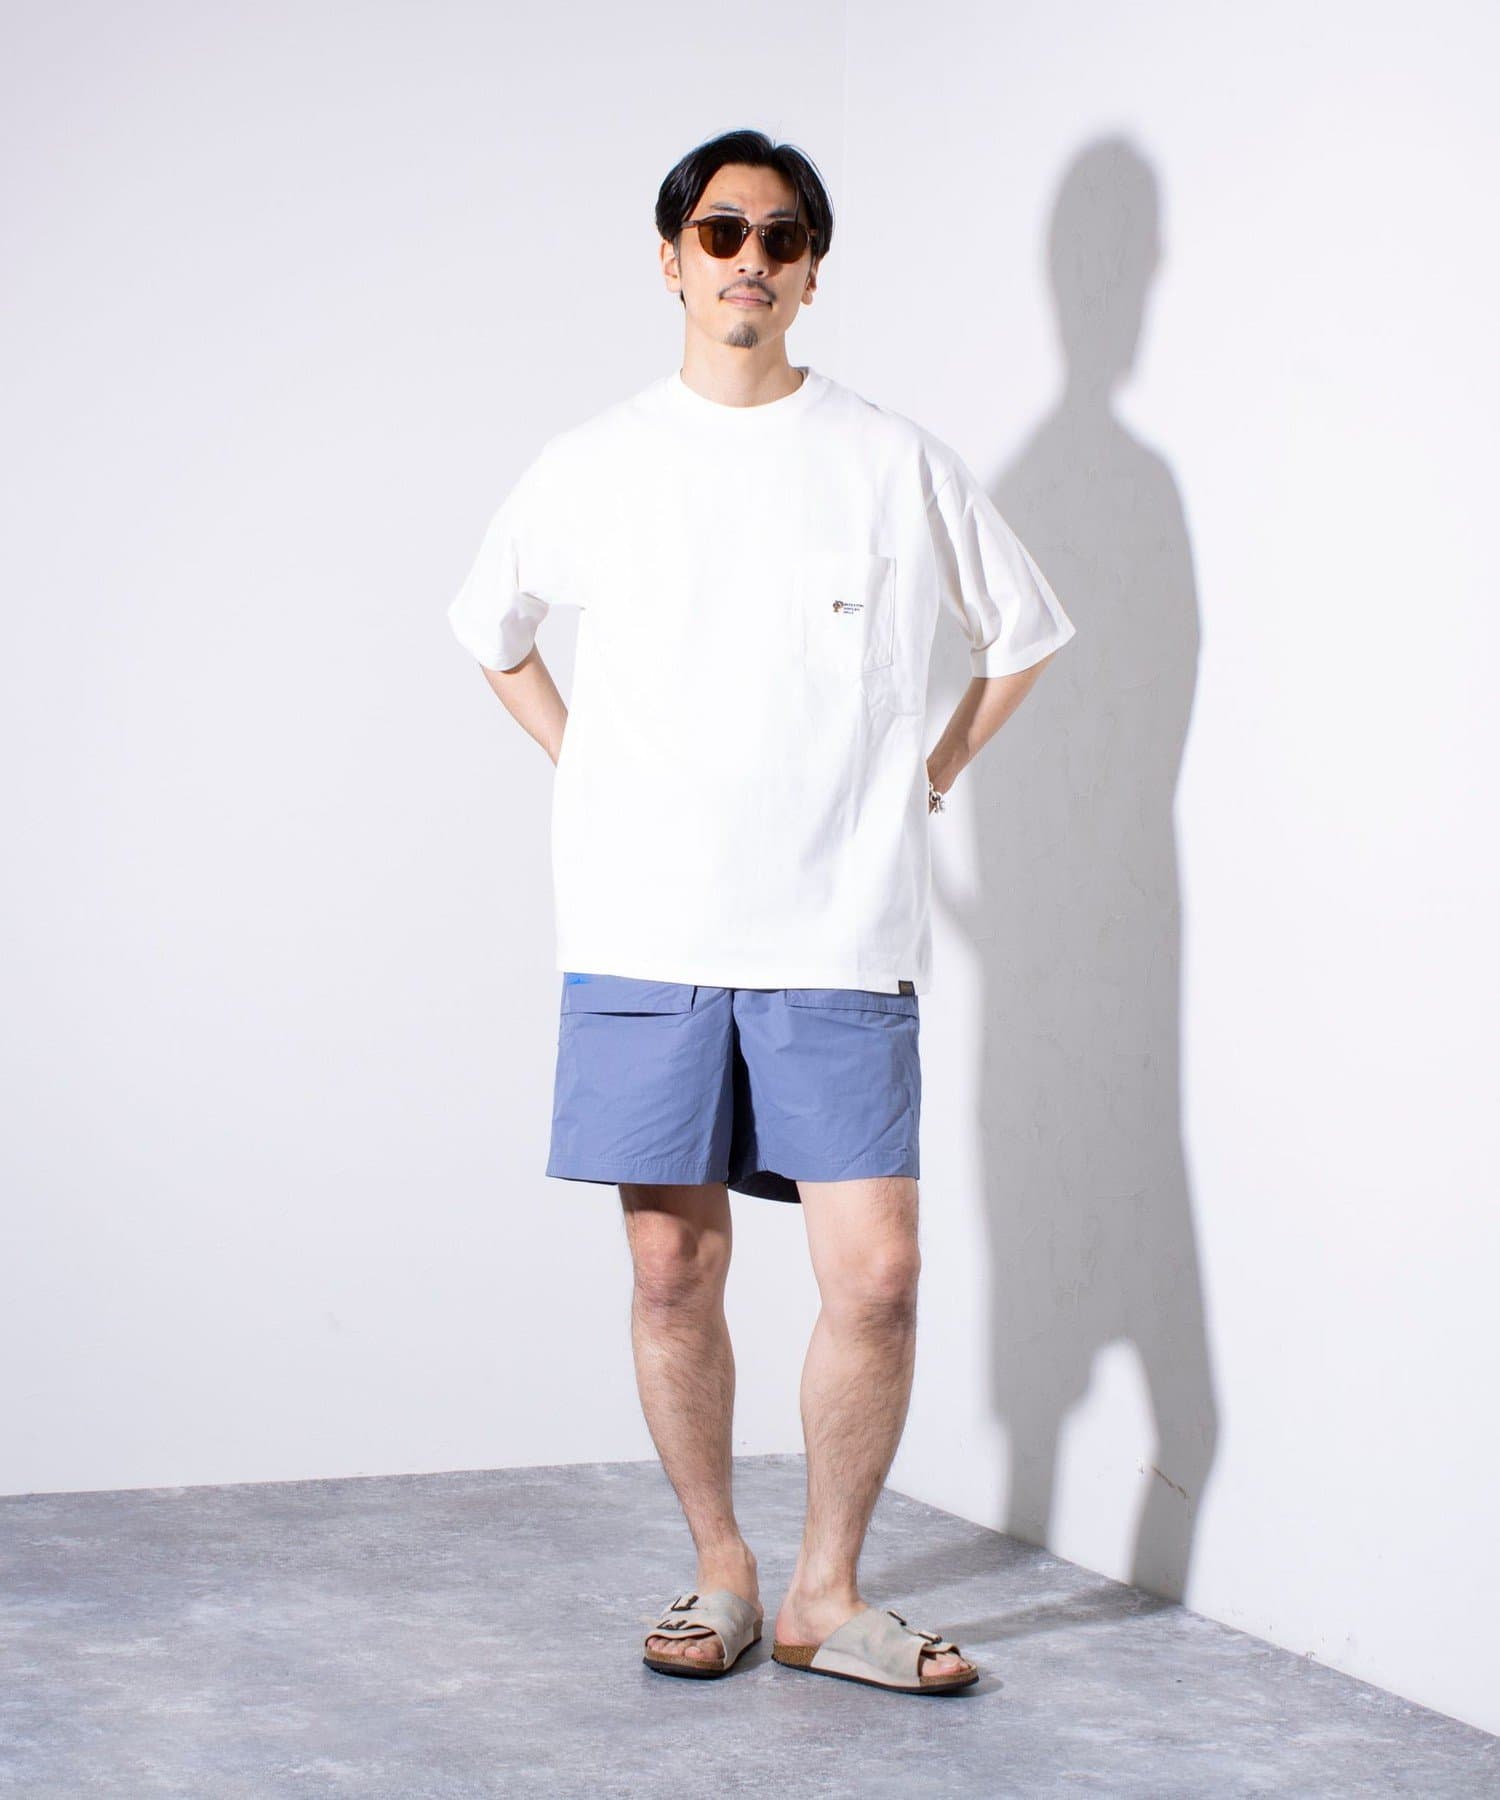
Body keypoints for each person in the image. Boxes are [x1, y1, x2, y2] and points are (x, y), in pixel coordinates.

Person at [447, 128, 1076, 1695]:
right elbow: (490, 626)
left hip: (839, 934)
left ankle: (825, 1594)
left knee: (879, 1274)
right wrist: (586, 759)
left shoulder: (890, 460)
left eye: (780, 236)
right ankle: (723, 1568)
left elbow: (1022, 632)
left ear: (811, 271)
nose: (750, 258)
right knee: (674, 1270)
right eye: (721, 231)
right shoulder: (595, 461)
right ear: (670, 259)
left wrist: (930, 773)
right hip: (644, 930)